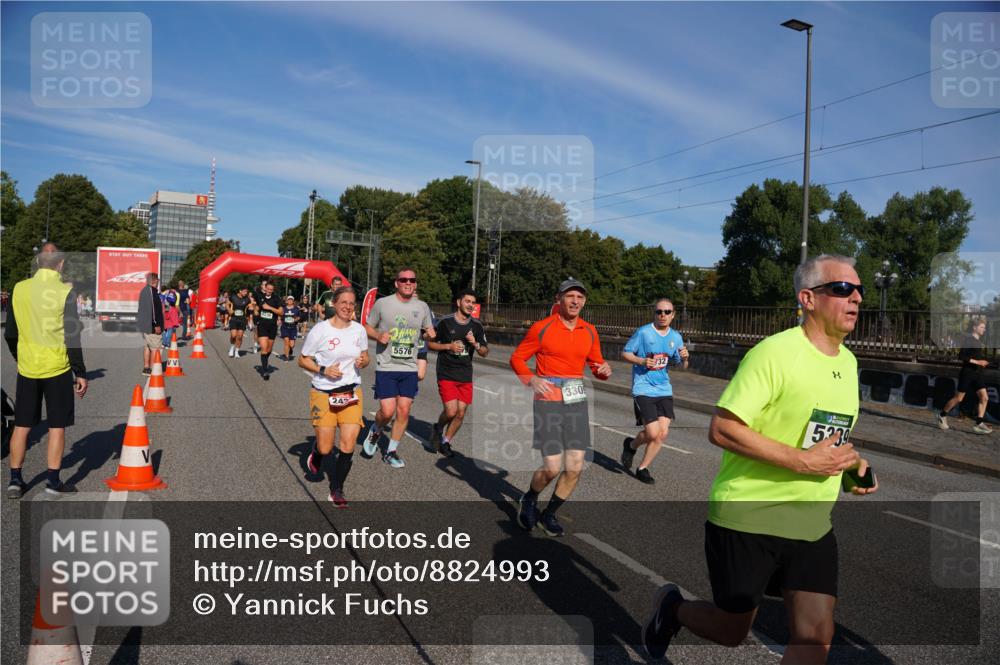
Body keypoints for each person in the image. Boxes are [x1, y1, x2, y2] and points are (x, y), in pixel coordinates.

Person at [641, 254, 878, 663]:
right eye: (842, 288)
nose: (855, 297)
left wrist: (849, 465)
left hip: (812, 525)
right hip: (749, 517)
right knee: (732, 630)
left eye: (859, 290)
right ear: (807, 298)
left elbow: (823, 433)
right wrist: (802, 462)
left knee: (816, 634)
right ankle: (673, 608)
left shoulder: (849, 362)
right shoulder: (774, 354)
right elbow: (722, 429)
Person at [512, 278, 612, 537]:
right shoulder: (542, 328)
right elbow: (517, 358)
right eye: (570, 296)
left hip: (575, 399)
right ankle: (530, 498)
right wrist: (531, 379)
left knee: (576, 465)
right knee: (553, 467)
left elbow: (596, 365)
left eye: (580, 297)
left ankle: (550, 513)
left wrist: (603, 371)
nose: (575, 301)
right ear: (559, 299)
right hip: (548, 402)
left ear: (585, 302)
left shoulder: (589, 331)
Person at [4, 243, 88, 497]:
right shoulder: (65, 292)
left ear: (38, 262)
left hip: (28, 366)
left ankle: (15, 481)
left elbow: (10, 333)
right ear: (60, 264)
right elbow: (72, 338)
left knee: (22, 424)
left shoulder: (19, 288)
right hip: (57, 367)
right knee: (56, 426)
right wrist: (80, 372)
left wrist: (20, 356)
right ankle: (52, 481)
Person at [299, 287, 370, 507]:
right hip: (323, 392)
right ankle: (318, 454)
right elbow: (302, 360)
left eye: (352, 303)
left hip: (350, 392)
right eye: (344, 303)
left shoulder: (359, 330)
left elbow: (366, 357)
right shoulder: (320, 330)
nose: (348, 307)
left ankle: (336, 489)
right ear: (334, 304)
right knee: (326, 448)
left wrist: (362, 362)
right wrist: (323, 370)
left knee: (348, 443)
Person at [360, 267, 435, 468]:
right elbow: (367, 326)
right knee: (387, 411)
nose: (408, 283)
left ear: (416, 283)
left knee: (403, 411)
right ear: (396, 283)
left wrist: (429, 335)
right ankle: (375, 429)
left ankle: (391, 451)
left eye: (412, 280)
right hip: (387, 365)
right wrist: (377, 335)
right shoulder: (383, 304)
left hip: (409, 367)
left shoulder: (423, 307)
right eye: (404, 280)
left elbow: (426, 333)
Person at [620, 298, 690, 485]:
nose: (663, 315)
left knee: (662, 433)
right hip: (643, 388)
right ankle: (631, 445)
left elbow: (679, 365)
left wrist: (684, 359)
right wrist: (642, 361)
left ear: (673, 315)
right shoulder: (644, 332)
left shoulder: (676, 337)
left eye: (667, 312)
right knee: (652, 433)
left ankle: (642, 468)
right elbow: (625, 353)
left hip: (664, 388)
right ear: (654, 313)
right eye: (659, 311)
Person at [427, 289, 489, 457]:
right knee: (451, 411)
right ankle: (438, 428)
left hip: (465, 373)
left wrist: (474, 343)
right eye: (467, 301)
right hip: (446, 372)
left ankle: (446, 442)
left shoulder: (476, 325)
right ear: (458, 302)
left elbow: (484, 352)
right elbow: (430, 344)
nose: (470, 305)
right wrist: (449, 346)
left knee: (461, 413)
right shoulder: (445, 322)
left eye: (473, 302)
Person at [938, 318, 992, 434]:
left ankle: (978, 423)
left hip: (977, 374)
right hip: (967, 373)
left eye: (984, 327)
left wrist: (981, 363)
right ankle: (942, 415)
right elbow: (962, 356)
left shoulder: (978, 342)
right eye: (982, 327)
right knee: (959, 398)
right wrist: (979, 362)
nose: (984, 329)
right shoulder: (969, 340)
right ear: (975, 328)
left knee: (984, 398)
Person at [252, 281, 282, 379]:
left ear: (273, 290)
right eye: (268, 289)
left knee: (269, 349)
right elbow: (255, 305)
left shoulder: (276, 298)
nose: (269, 291)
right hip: (262, 325)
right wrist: (256, 310)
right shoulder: (260, 296)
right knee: (264, 349)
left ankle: (264, 362)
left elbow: (281, 312)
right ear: (265, 288)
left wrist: (269, 307)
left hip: (273, 326)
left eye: (271, 290)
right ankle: (265, 371)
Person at [137, 272, 165, 375]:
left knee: (147, 347)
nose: (158, 282)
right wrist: (156, 324)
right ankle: (153, 369)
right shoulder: (151, 292)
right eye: (157, 280)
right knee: (155, 348)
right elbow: (152, 310)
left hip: (145, 325)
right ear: (154, 280)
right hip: (151, 326)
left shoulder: (145, 291)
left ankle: (146, 368)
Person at [226, 286, 251, 358]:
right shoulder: (233, 297)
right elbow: (227, 304)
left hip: (243, 319)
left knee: (240, 336)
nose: (246, 293)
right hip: (234, 318)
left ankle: (237, 351)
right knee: (233, 335)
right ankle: (232, 347)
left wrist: (252, 307)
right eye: (244, 291)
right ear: (240, 291)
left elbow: (251, 305)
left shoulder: (247, 299)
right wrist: (229, 310)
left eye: (247, 292)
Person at [279, 295, 303, 361]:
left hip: (293, 328)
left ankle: (290, 349)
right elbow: (280, 315)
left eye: (291, 300)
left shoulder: (296, 309)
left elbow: (299, 317)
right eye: (289, 300)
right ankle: (287, 357)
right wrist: (278, 320)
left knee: (292, 345)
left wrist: (296, 319)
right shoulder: (283, 308)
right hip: (285, 327)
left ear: (293, 301)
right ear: (287, 301)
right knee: (286, 341)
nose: (290, 301)